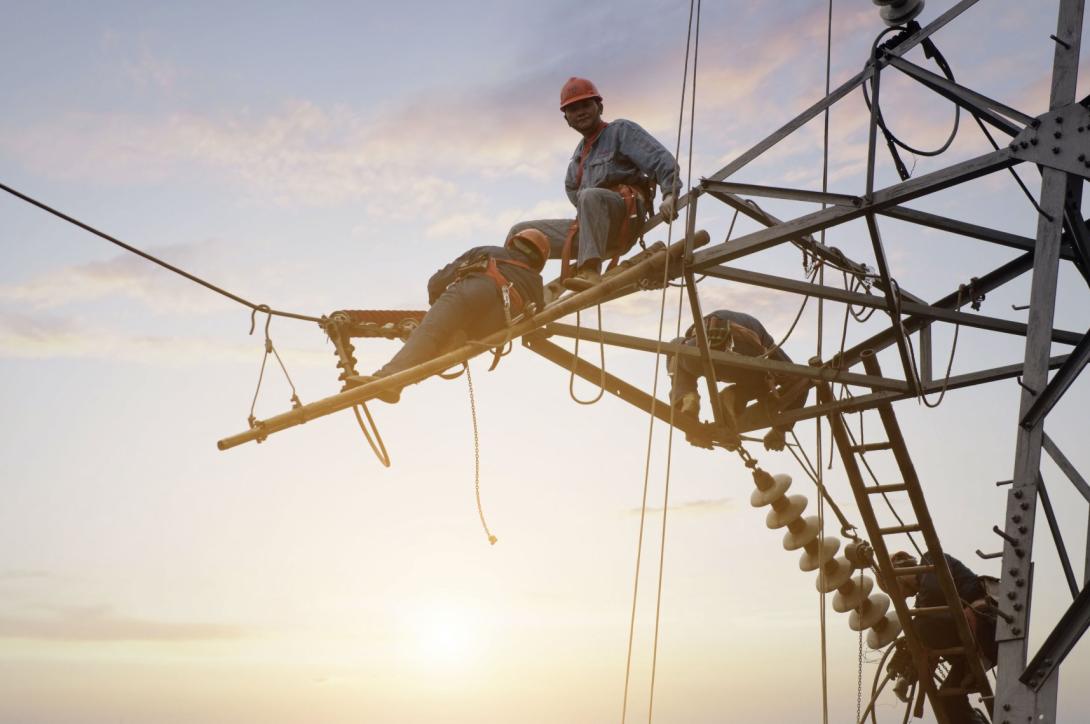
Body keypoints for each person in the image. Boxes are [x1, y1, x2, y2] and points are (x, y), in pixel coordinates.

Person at [507, 77, 681, 293]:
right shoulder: (577, 160)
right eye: (572, 109)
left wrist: (669, 195)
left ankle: (590, 270)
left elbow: (660, 160)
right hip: (593, 229)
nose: (580, 112)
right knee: (521, 232)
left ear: (599, 107)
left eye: (586, 105)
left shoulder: (620, 131)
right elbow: (574, 194)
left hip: (623, 220)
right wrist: (590, 220)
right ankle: (514, 290)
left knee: (590, 196)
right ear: (567, 119)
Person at [350, 229, 549, 402]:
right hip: (492, 326)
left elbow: (438, 280)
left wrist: (437, 308)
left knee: (430, 333)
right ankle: (399, 382)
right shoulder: (537, 287)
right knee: (446, 349)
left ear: (515, 242)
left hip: (474, 292)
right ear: (540, 260)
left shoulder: (489, 251)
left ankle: (388, 379)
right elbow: (534, 325)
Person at [668, 309, 808, 451]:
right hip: (744, 355)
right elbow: (798, 377)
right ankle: (734, 397)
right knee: (766, 380)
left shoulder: (697, 332)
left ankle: (687, 397)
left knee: (675, 349)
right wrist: (781, 430)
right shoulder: (762, 335)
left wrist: (691, 428)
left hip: (700, 351)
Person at [887, 551, 996, 724]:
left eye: (898, 588)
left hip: (987, 626)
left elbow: (933, 592)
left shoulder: (931, 559)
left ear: (901, 569)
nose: (905, 596)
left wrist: (911, 638)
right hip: (969, 649)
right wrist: (906, 674)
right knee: (948, 702)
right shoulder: (923, 605)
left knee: (920, 625)